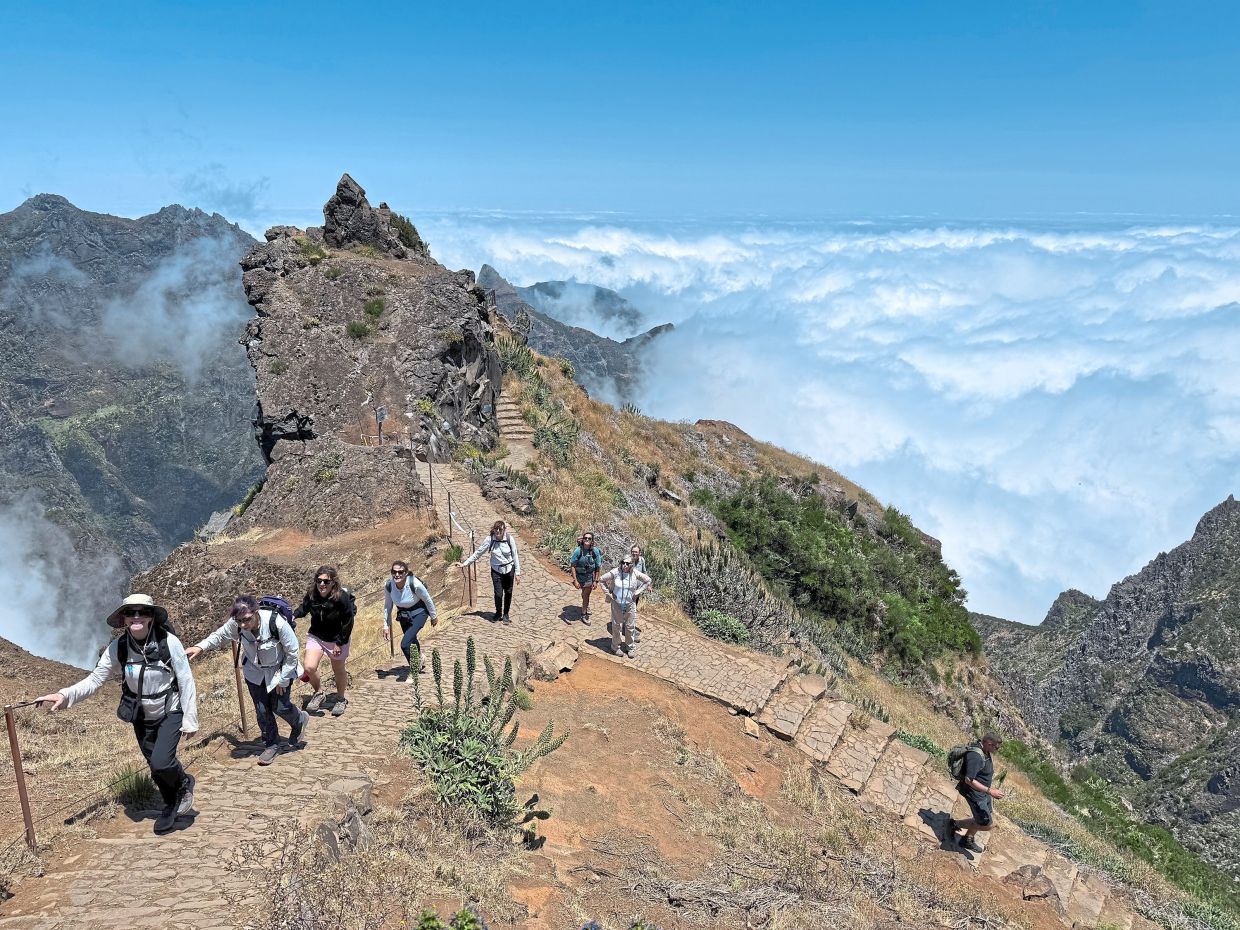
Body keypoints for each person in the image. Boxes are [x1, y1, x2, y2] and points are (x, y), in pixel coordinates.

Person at [35, 594, 198, 834]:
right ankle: (170, 803)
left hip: (169, 710)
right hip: (140, 715)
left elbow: (185, 679)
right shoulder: (118, 648)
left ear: (151, 617)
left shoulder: (169, 642)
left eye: (142, 612)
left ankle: (183, 782)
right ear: (123, 618)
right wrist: (64, 695)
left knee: (161, 762)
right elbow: (95, 680)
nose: (136, 617)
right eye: (130, 612)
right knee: (154, 766)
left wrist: (190, 719)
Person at [186, 596, 306, 765]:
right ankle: (271, 744)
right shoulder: (236, 624)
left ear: (256, 612)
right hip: (254, 672)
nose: (243, 625)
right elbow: (219, 635)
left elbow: (292, 653)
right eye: (239, 621)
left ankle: (299, 719)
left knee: (280, 706)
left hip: (278, 671)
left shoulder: (276, 623)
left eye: (247, 619)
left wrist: (283, 679)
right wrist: (200, 647)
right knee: (262, 710)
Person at [294, 566, 356, 716]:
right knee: (309, 667)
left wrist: (340, 642)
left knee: (338, 669)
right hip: (317, 636)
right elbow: (304, 608)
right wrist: (293, 615)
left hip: (337, 639)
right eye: (319, 580)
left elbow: (348, 621)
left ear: (333, 582)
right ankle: (319, 692)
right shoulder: (312, 595)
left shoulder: (341, 597)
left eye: (326, 581)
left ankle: (340, 698)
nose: (322, 584)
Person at [950, 733, 1005, 852]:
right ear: (989, 744)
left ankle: (967, 839)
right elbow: (969, 780)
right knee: (987, 824)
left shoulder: (984, 750)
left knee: (984, 816)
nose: (997, 750)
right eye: (996, 747)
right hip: (975, 793)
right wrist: (990, 791)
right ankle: (955, 824)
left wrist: (988, 791)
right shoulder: (976, 756)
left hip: (983, 792)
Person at [459, 521, 521, 624]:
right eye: (496, 529)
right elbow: (478, 553)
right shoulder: (490, 540)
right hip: (496, 570)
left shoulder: (510, 539)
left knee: (508, 592)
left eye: (500, 529)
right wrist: (465, 564)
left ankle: (506, 614)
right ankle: (498, 613)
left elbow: (515, 556)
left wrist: (517, 573)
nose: (498, 531)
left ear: (504, 530)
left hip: (509, 569)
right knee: (498, 593)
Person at [383, 560, 437, 670]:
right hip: (403, 615)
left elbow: (427, 599)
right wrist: (385, 625)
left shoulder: (415, 584)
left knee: (405, 644)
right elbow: (388, 606)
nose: (397, 574)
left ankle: (415, 668)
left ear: (406, 573)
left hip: (419, 613)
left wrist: (433, 616)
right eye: (394, 572)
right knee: (411, 639)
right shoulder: (389, 585)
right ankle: (420, 657)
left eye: (400, 572)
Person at [600, 556, 651, 657]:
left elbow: (648, 580)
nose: (625, 565)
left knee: (630, 626)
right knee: (617, 626)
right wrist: (608, 593)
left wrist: (638, 592)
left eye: (627, 563)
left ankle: (630, 647)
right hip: (617, 604)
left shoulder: (635, 573)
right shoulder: (616, 572)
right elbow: (601, 580)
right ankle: (615, 647)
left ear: (631, 565)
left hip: (630, 604)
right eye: (623, 563)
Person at [569, 532, 602, 624]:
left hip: (589, 577)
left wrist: (596, 580)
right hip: (579, 576)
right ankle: (586, 605)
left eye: (589, 538)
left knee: (586, 595)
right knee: (584, 594)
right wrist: (575, 580)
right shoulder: (578, 551)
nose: (587, 540)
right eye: (585, 538)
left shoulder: (595, 551)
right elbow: (573, 565)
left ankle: (583, 614)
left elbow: (598, 567)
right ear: (583, 540)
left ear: (592, 541)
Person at [629, 545, 647, 642]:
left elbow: (644, 572)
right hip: (629, 590)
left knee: (633, 608)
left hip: (637, 591)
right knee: (630, 610)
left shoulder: (642, 560)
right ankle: (630, 632)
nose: (634, 553)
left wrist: (648, 584)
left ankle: (628, 627)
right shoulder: (628, 561)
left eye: (636, 552)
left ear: (639, 553)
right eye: (633, 551)